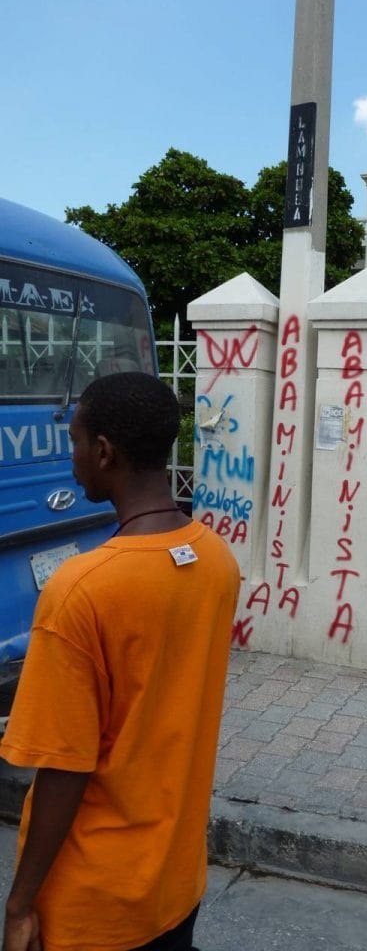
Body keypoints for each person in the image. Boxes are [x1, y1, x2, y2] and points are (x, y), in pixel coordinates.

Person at [0, 372, 241, 951]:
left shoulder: (82, 589)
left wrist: (20, 901)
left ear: (104, 452)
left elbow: (64, 768)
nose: (73, 456)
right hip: (177, 884)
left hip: (94, 905)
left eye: (76, 442)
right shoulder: (215, 559)